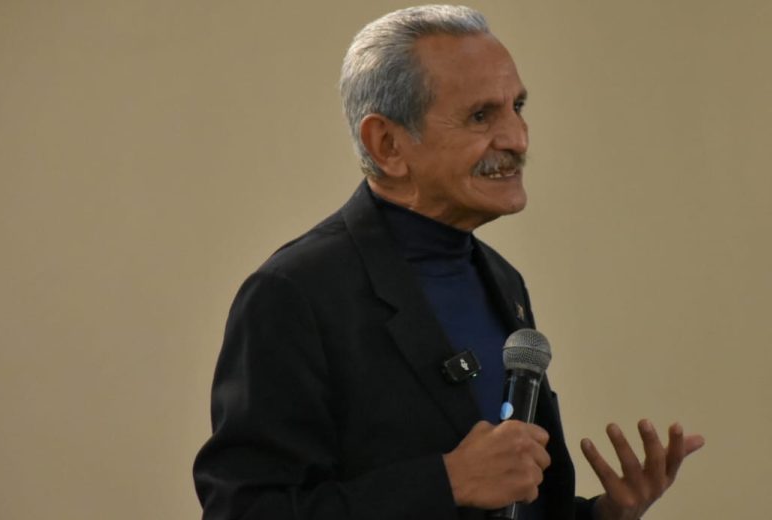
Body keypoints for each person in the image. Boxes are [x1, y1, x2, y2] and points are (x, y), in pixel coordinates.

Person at [192, 5, 704, 520]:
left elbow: (501, 497)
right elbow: (243, 509)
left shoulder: (501, 280)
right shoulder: (293, 293)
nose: (517, 139)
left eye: (517, 106)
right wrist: (445, 482)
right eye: (481, 116)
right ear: (387, 144)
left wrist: (602, 515)